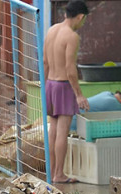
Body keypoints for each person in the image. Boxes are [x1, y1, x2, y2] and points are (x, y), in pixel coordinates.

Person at [43, 0, 90, 183]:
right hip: (63, 85)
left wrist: (45, 86)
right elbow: (70, 69)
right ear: (80, 17)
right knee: (62, 131)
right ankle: (59, 174)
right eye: (83, 20)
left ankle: (52, 173)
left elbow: (45, 61)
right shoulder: (71, 36)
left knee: (53, 131)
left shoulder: (52, 30)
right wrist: (78, 94)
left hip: (50, 83)